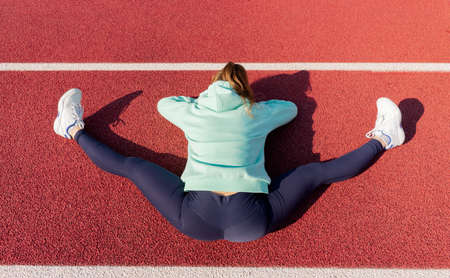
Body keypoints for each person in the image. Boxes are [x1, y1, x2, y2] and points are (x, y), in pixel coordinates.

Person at [53, 62, 405, 242]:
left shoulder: (191, 110)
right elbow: (292, 110)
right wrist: (255, 105)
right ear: (243, 88)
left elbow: (163, 104)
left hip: (195, 217)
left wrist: (196, 104)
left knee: (133, 167)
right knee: (315, 173)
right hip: (251, 218)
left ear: (212, 84)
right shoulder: (258, 112)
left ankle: (71, 128)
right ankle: (386, 137)